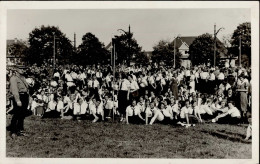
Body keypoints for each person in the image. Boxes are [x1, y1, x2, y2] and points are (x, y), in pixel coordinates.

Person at [7, 66, 30, 138]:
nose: (23, 70)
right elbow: (14, 90)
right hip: (19, 97)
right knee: (17, 114)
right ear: (16, 70)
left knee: (22, 115)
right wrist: (17, 100)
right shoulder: (13, 78)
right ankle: (13, 131)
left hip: (25, 96)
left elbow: (26, 88)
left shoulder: (22, 77)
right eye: (21, 69)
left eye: (24, 68)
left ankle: (20, 130)